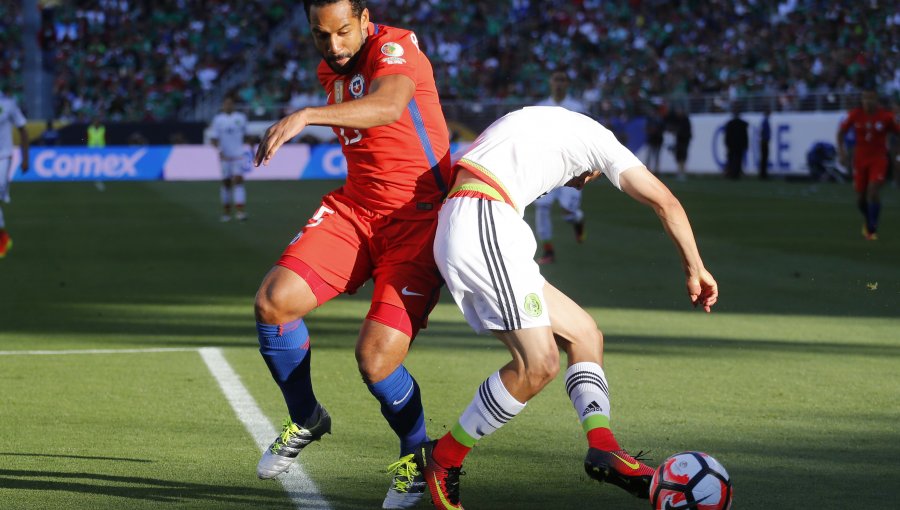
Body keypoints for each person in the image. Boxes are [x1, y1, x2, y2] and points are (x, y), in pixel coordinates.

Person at [415, 106, 718, 509]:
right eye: (588, 179)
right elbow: (666, 203)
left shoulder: (536, 120)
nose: (578, 187)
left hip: (485, 220)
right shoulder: (602, 144)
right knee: (537, 365)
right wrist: (695, 267)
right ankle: (442, 458)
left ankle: (603, 447)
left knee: (584, 334)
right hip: (484, 219)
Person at [251, 1, 451, 508]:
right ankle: (306, 417)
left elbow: (388, 106)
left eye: (343, 32)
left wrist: (306, 115)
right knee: (274, 303)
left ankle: (415, 454)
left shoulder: (395, 48)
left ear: (365, 19)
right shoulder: (331, 67)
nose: (334, 47)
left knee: (375, 359)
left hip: (419, 220)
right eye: (322, 36)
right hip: (357, 209)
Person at [533, 70, 588, 264]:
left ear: (567, 84)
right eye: (556, 79)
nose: (558, 83)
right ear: (550, 82)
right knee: (542, 206)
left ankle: (577, 220)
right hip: (547, 168)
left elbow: (587, 137)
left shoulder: (577, 108)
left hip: (572, 168)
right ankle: (548, 251)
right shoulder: (540, 108)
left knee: (568, 212)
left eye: (562, 80)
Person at [837, 90, 900, 240]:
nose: (868, 102)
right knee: (860, 199)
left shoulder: (886, 116)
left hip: (878, 159)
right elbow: (841, 133)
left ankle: (872, 228)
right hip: (860, 159)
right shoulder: (855, 114)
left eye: (871, 99)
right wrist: (842, 152)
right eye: (865, 99)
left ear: (876, 100)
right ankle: (868, 219)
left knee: (872, 190)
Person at [209, 96, 250, 222]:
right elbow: (214, 138)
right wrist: (219, 150)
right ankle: (226, 212)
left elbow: (246, 135)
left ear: (233, 105)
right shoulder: (218, 119)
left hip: (238, 155)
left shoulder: (240, 118)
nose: (228, 106)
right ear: (223, 106)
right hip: (225, 157)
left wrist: (249, 149)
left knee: (238, 181)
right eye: (226, 104)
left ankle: (240, 212)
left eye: (230, 103)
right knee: (226, 183)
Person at [0, 89, 29, 258]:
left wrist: (26, 158)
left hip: (4, 156)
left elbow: (23, 129)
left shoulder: (8, 103)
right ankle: (3, 237)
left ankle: (2, 240)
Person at [666, 106, 692, 181]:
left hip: (684, 141)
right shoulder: (678, 120)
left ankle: (682, 172)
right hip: (679, 141)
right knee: (679, 157)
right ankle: (679, 172)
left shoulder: (685, 120)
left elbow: (685, 131)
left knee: (683, 157)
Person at [723, 107, 749, 180]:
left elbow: (727, 136)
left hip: (731, 145)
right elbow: (745, 136)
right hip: (739, 145)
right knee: (738, 160)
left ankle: (731, 173)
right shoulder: (743, 124)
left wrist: (727, 143)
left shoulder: (730, 123)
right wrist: (746, 145)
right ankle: (736, 174)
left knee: (731, 159)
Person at [87, 116, 107, 191]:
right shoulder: (90, 129)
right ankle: (93, 178)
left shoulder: (102, 128)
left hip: (101, 148)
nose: (96, 122)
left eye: (97, 121)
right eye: (95, 121)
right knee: (93, 163)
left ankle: (99, 179)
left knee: (100, 164)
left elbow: (104, 137)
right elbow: (89, 138)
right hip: (92, 148)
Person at [758, 107, 771, 180]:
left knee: (764, 158)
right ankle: (763, 174)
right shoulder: (765, 121)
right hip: (764, 142)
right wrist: (763, 139)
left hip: (764, 141)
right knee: (764, 158)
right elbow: (762, 131)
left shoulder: (765, 120)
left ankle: (763, 174)